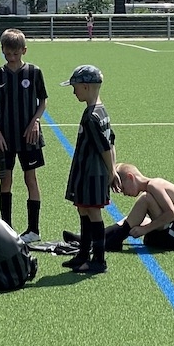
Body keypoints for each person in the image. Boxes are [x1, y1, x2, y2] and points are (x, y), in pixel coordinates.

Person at [0, 29, 48, 243]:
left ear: (24, 50)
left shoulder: (34, 72)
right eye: (7, 54)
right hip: (5, 138)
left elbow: (43, 101)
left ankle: (33, 230)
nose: (11, 57)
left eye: (16, 53)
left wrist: (35, 121)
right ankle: (7, 229)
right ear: (2, 50)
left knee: (31, 178)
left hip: (29, 137)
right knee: (5, 180)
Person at [61, 64, 119, 275]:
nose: (74, 92)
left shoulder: (92, 116)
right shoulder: (101, 111)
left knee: (93, 212)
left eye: (75, 87)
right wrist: (112, 167)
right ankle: (83, 254)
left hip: (92, 173)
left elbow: (104, 147)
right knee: (83, 208)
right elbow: (112, 141)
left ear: (86, 87)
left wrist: (112, 172)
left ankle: (99, 260)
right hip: (88, 171)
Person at [104, 163, 174, 252]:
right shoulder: (152, 187)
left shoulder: (153, 185)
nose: (124, 193)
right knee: (135, 218)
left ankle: (115, 239)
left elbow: (172, 214)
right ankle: (101, 235)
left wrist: (145, 229)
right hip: (173, 230)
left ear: (130, 177)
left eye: (123, 188)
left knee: (145, 199)